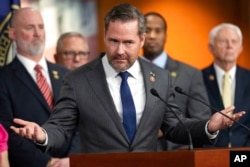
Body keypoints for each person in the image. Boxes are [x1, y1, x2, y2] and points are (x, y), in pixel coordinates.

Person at [10, 3, 244, 155]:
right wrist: (43, 134)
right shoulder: (78, 80)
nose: (120, 50)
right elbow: (60, 127)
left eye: (128, 43)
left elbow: (175, 127)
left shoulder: (159, 78)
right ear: (105, 36)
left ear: (142, 40)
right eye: (114, 41)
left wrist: (208, 126)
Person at [0, 7, 79, 167]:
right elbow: (7, 132)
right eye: (30, 27)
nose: (38, 33)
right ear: (13, 34)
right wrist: (49, 163)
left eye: (41, 27)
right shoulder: (3, 78)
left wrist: (72, 160)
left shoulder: (66, 74)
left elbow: (81, 123)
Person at [142, 12, 211, 150]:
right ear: (140, 35)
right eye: (147, 30)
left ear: (165, 35)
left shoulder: (190, 74)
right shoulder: (126, 73)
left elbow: (200, 120)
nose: (152, 36)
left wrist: (166, 130)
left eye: (158, 30)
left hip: (178, 154)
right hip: (136, 155)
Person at [202, 23, 250, 147]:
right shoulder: (198, 78)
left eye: (234, 41)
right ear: (211, 47)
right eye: (223, 41)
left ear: (241, 48)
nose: (230, 46)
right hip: (208, 155)